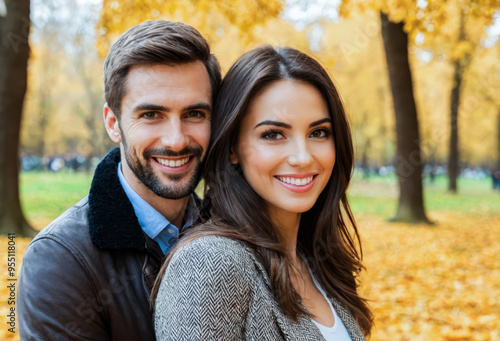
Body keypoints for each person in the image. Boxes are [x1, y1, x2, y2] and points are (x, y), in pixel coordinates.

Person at [152, 45, 373, 340]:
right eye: (273, 135)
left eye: (318, 132)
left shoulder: (319, 260)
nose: (302, 157)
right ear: (232, 148)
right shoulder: (210, 263)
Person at [17, 20, 220, 340]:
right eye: (151, 115)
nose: (177, 140)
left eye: (194, 114)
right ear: (113, 124)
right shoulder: (59, 261)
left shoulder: (237, 230)